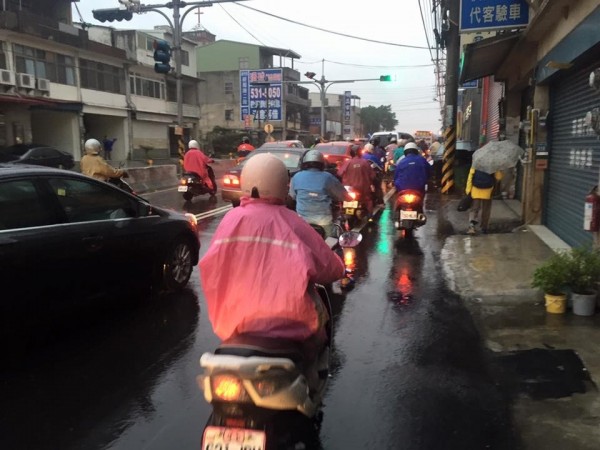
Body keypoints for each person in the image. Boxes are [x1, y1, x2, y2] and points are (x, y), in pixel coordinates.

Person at [199, 153, 345, 351]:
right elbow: (332, 269)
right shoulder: (293, 223)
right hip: (291, 330)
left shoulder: (229, 221)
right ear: (282, 184)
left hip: (232, 328)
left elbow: (210, 268)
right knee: (319, 346)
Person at [289, 149, 350, 237]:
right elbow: (343, 196)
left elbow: (293, 196)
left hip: (302, 221)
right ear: (322, 164)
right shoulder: (327, 177)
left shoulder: (296, 177)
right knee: (331, 244)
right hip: (323, 222)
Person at [338, 144, 376, 217]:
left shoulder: (347, 162)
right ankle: (370, 217)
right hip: (363, 189)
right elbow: (372, 175)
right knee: (368, 200)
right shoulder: (365, 162)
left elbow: (339, 173)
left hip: (349, 189)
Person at [465, 167, 503, 235]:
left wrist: (468, 191)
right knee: (486, 209)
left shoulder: (476, 163)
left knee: (474, 209)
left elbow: (470, 177)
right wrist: (499, 170)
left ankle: (472, 226)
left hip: (476, 190)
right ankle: (484, 227)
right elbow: (499, 177)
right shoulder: (493, 165)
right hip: (488, 191)